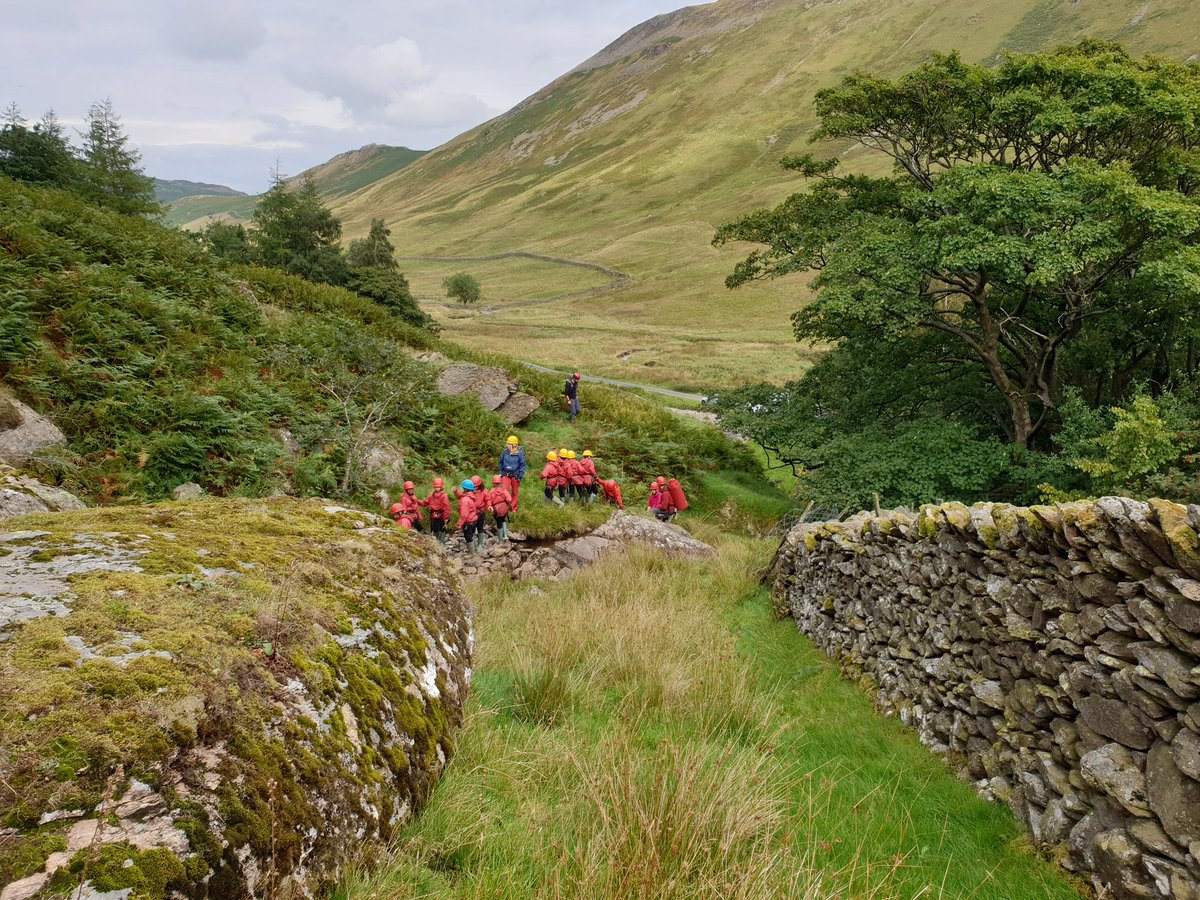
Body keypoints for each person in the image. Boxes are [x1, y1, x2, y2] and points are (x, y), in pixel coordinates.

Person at [498, 435, 526, 510]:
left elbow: (523, 465)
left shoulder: (520, 453)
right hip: (505, 474)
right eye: (508, 444)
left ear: (514, 445)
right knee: (504, 491)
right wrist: (501, 472)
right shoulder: (505, 452)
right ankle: (504, 507)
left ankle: (513, 507)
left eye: (509, 444)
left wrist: (520, 475)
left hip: (515, 475)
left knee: (514, 492)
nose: (508, 445)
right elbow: (500, 462)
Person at [421, 478, 451, 547]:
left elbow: (447, 507)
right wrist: (417, 501)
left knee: (442, 528)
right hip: (433, 514)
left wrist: (446, 517)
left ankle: (441, 542)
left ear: (441, 487)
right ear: (434, 487)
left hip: (442, 514)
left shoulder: (444, 495)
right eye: (436, 487)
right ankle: (438, 540)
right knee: (434, 528)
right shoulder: (432, 494)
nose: (437, 488)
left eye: (438, 487)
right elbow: (426, 502)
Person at [457, 480, 480, 552]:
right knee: (472, 535)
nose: (460, 488)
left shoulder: (465, 500)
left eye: (462, 487)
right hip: (474, 520)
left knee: (468, 537)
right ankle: (476, 550)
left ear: (465, 489)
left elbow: (464, 515)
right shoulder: (472, 496)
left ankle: (472, 553)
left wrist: (459, 524)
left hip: (468, 522)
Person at [489, 475, 514, 542]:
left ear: (493, 483)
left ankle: (500, 540)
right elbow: (509, 499)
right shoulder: (504, 490)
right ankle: (505, 535)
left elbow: (489, 501)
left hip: (496, 510)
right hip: (504, 508)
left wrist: (490, 506)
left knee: (499, 523)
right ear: (500, 482)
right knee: (503, 520)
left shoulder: (491, 491)